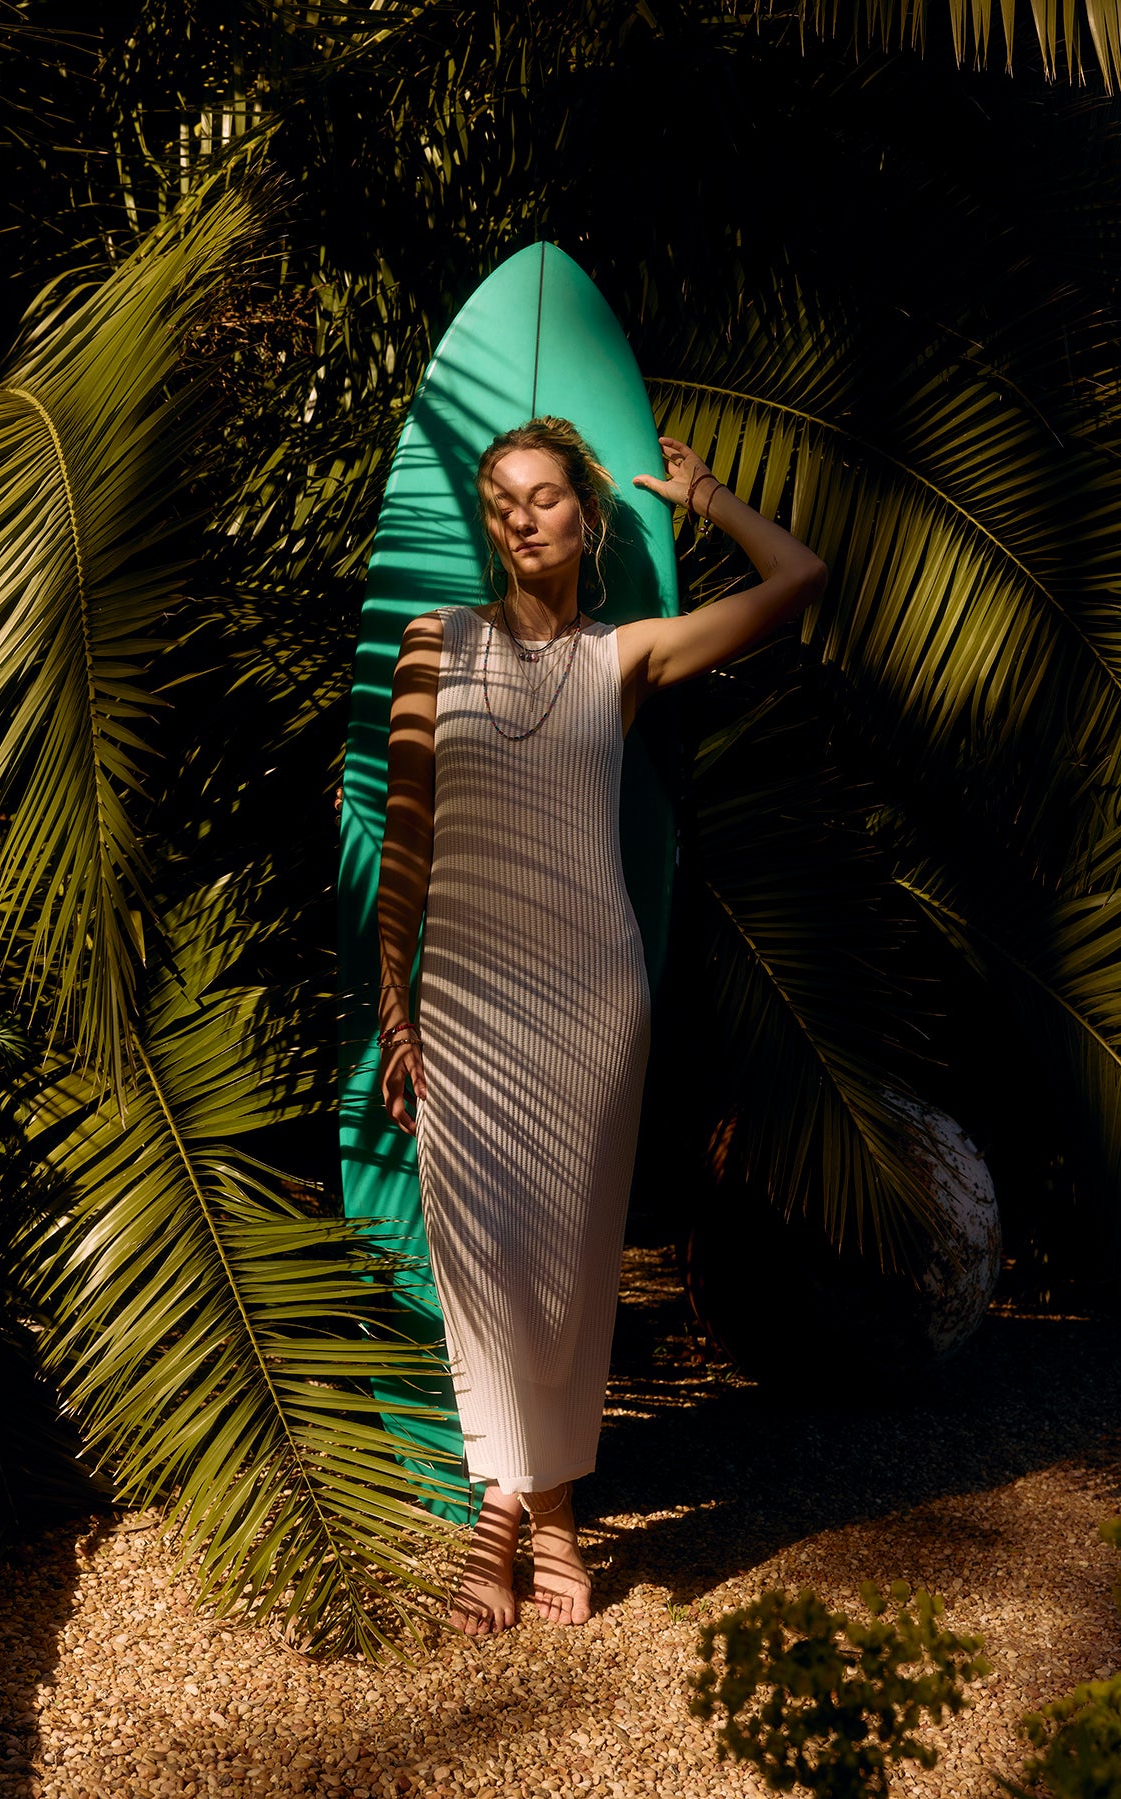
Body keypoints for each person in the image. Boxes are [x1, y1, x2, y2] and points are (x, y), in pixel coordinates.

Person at [376, 419, 826, 1637]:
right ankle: (509, 1509)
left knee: (571, 1255)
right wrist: (391, 992)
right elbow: (406, 832)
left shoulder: (623, 656)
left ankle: (549, 1510)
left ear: (586, 517)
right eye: (502, 501)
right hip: (465, 988)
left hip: (591, 991)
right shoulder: (436, 646)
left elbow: (800, 581)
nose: (523, 517)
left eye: (545, 497)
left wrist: (710, 498)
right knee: (479, 1251)